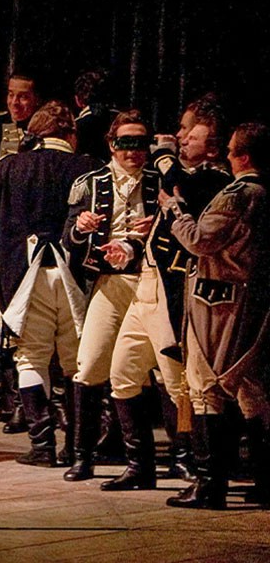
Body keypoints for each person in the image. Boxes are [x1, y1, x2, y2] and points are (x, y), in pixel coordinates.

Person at [99, 106, 232, 492]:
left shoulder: (214, 179)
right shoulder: (178, 177)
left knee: (180, 385)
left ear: (213, 148)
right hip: (146, 284)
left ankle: (194, 463)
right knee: (122, 373)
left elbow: (186, 200)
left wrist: (165, 156)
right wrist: (136, 238)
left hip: (174, 291)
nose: (182, 137)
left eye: (192, 135)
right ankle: (140, 467)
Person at [0, 102, 101, 468]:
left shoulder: (7, 167)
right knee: (77, 363)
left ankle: (43, 446)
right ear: (70, 134)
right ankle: (76, 448)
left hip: (24, 276)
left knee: (30, 358)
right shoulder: (89, 168)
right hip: (77, 275)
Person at [164, 121, 269, 510]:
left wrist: (175, 211)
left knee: (208, 385)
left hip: (220, 303)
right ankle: (263, 480)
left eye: (230, 150)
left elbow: (201, 240)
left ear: (242, 156)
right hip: (252, 300)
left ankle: (210, 486)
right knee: (249, 389)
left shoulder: (240, 194)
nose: (225, 154)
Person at [58, 111, 157, 482]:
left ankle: (170, 457)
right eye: (126, 143)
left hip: (150, 284)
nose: (133, 151)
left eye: (141, 143)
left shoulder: (160, 181)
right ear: (112, 144)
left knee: (159, 375)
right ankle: (83, 455)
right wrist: (82, 228)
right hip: (109, 283)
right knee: (90, 364)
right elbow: (68, 237)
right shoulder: (90, 183)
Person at [0, 72, 41, 161]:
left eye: (23, 97)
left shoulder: (43, 128)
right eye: (11, 95)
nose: (14, 102)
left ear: (36, 99)